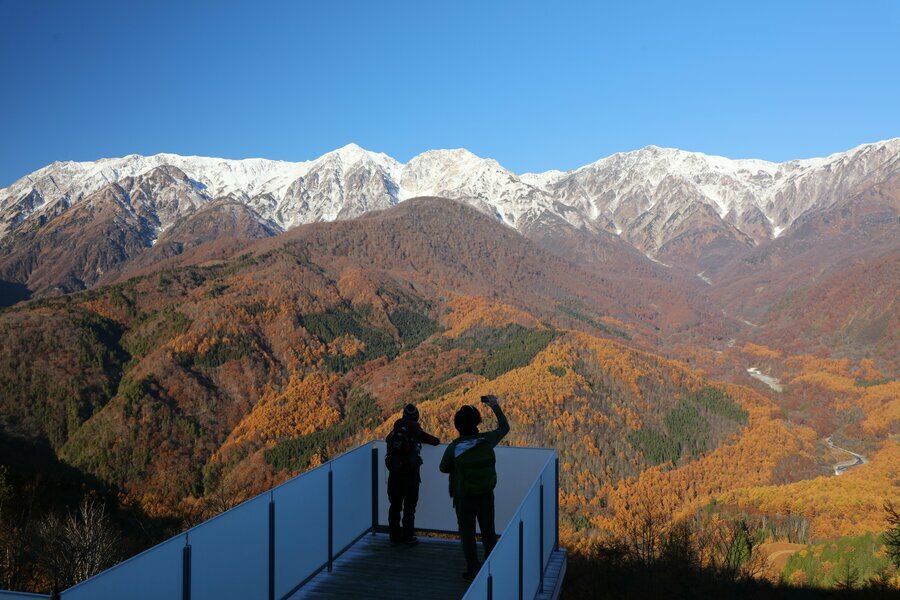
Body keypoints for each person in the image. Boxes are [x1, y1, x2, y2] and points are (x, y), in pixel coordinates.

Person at [439, 394, 510, 580]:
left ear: (457, 425)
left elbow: (443, 467)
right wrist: (494, 405)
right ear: (477, 422)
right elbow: (505, 427)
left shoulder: (455, 447)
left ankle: (473, 570)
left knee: (467, 534)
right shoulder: (486, 440)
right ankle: (491, 567)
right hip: (486, 495)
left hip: (463, 496)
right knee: (488, 531)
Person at [385, 403, 440, 545]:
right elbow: (435, 441)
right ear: (416, 416)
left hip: (394, 474)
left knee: (394, 506)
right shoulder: (415, 430)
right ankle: (407, 537)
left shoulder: (395, 429)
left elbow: (387, 440)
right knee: (409, 507)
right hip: (410, 476)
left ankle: (394, 537)